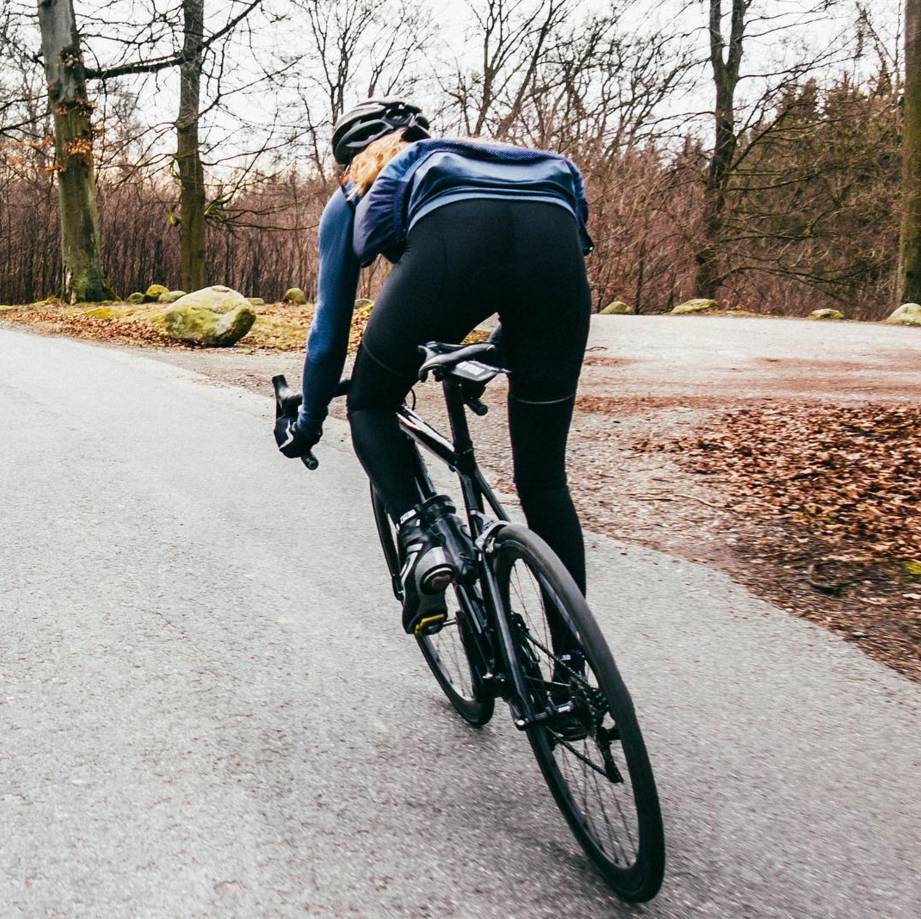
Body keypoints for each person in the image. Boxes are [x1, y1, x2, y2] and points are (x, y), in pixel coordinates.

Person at [275, 98, 593, 636]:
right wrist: (499, 347)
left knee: (371, 404)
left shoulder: (360, 186)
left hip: (452, 250)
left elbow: (329, 332)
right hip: (557, 248)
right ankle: (572, 676)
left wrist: (306, 424)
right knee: (543, 482)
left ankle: (422, 537)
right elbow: (522, 261)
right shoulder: (477, 162)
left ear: (348, 158)